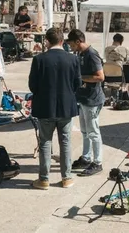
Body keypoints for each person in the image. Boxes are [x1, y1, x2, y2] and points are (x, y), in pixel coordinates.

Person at [29, 28, 82, 189]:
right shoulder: (72, 59)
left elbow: (32, 86)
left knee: (45, 142)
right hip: (66, 106)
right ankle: (67, 177)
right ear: (62, 41)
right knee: (65, 141)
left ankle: (44, 179)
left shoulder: (39, 59)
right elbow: (77, 83)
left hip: (45, 107)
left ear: (47, 41)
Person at [66, 29, 105, 177]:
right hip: (83, 98)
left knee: (93, 132)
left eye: (71, 43)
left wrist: (81, 78)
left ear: (78, 41)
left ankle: (98, 162)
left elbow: (100, 77)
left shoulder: (91, 54)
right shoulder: (80, 54)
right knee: (85, 131)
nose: (70, 47)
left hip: (92, 99)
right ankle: (86, 157)